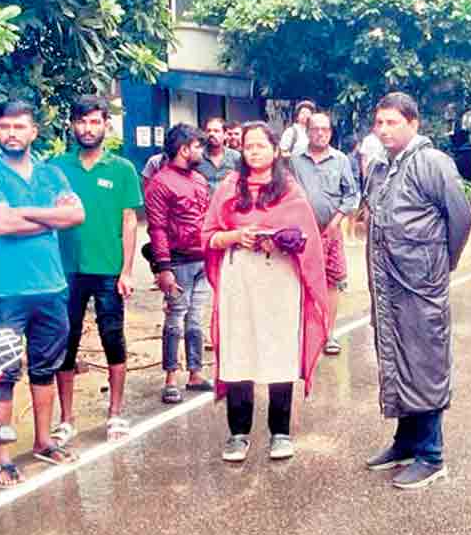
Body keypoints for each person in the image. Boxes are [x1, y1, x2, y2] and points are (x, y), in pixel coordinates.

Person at [363, 92, 471, 490]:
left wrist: (440, 268)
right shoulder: (380, 168)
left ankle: (432, 454)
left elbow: (461, 218)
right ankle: (406, 442)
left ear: (413, 123)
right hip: (389, 286)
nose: (384, 130)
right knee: (398, 358)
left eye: (393, 122)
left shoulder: (432, 163)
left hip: (420, 286)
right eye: (380, 123)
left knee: (424, 362)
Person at [0, 100, 86, 488]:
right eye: (4, 127)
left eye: (20, 127)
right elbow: (1, 225)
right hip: (6, 293)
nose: (11, 134)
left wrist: (26, 213)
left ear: (34, 131)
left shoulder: (52, 173)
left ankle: (42, 440)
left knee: (45, 368)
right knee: (2, 375)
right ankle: (2, 457)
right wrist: (48, 217)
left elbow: (76, 216)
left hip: (52, 288)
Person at [202, 122, 330, 462]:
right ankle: (238, 433)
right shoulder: (229, 186)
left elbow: (308, 239)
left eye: (261, 145)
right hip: (239, 279)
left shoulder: (290, 190)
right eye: (249, 146)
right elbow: (209, 235)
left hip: (280, 280)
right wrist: (235, 237)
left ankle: (281, 432)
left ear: (276, 150)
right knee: (238, 349)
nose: (255, 151)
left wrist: (281, 238)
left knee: (279, 352)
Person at [50, 95, 141, 444]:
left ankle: (116, 414)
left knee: (113, 339)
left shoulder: (122, 170)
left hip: (108, 269)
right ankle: (66, 419)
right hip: (65, 272)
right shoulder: (57, 168)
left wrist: (127, 271)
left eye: (94, 121)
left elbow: (129, 221)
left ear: (106, 125)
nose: (88, 129)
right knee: (65, 343)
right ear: (72, 125)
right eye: (81, 121)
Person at [144, 124, 213, 404]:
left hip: (202, 259)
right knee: (175, 318)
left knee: (195, 318)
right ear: (184, 149)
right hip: (178, 260)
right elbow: (156, 228)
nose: (201, 151)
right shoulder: (160, 183)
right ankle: (171, 377)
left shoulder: (199, 180)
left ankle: (195, 372)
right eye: (197, 146)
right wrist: (163, 267)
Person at [290, 110, 360, 355]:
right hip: (301, 235)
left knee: (333, 281)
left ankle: (329, 334)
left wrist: (336, 221)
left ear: (330, 132)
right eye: (315, 129)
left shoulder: (340, 160)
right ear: (307, 131)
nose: (320, 133)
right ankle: (303, 334)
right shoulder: (295, 161)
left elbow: (351, 194)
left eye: (325, 129)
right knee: (302, 280)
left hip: (331, 233)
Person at [196, 117, 242, 193]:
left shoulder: (235, 157)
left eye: (216, 131)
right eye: (208, 131)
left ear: (225, 134)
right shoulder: (198, 156)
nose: (211, 134)